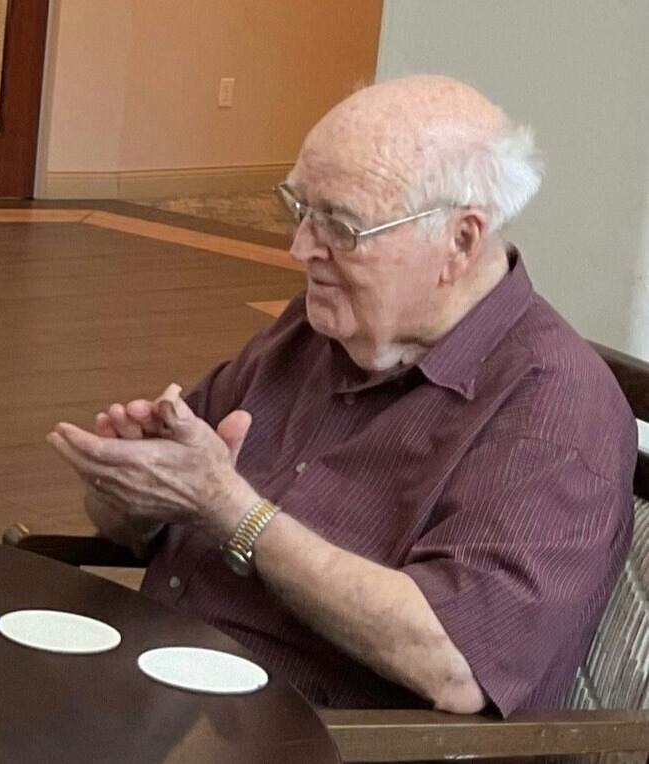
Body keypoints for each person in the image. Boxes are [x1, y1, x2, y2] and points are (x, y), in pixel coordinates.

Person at [49, 75, 634, 716]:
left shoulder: (555, 411)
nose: (301, 248)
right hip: (164, 694)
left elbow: (453, 666)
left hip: (318, 740)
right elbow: (159, 512)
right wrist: (133, 492)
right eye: (299, 209)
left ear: (460, 242)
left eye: (342, 227)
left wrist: (231, 510)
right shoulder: (317, 327)